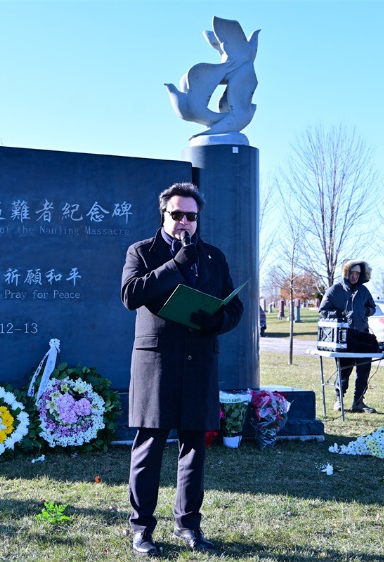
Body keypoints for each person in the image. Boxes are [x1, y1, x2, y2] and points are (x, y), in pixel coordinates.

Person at [121, 182, 243, 555]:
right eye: (177, 215)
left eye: (191, 216)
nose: (185, 222)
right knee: (150, 446)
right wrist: (176, 265)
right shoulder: (142, 251)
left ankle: (188, 525)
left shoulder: (214, 257)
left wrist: (216, 321)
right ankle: (141, 529)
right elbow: (131, 295)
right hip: (156, 362)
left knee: (195, 448)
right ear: (164, 214)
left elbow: (233, 308)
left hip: (200, 362)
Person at [319, 260, 377, 413]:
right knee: (344, 370)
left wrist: (366, 312)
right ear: (346, 273)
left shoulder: (364, 291)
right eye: (351, 273)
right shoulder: (334, 290)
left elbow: (373, 308)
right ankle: (339, 401)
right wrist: (339, 315)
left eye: (357, 274)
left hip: (363, 336)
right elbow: (323, 311)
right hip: (343, 337)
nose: (354, 277)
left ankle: (358, 402)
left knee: (364, 370)